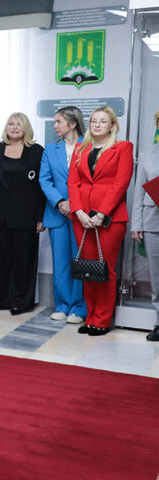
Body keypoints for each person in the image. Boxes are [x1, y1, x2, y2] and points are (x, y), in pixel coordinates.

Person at [69, 107, 133, 336]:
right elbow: (73, 183)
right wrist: (78, 211)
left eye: (103, 121)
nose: (97, 125)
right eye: (94, 121)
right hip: (82, 218)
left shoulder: (123, 148)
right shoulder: (80, 149)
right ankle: (90, 317)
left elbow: (121, 183)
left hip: (110, 219)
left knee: (105, 268)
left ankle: (102, 320)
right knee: (87, 269)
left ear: (113, 125)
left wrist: (101, 213)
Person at [0, 113, 45, 314]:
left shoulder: (37, 152)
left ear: (26, 128)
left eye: (19, 124)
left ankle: (21, 301)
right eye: (11, 123)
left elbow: (41, 187)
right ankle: (2, 299)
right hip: (0, 216)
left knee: (24, 260)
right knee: (3, 259)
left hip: (26, 216)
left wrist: (41, 217)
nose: (15, 127)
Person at [39, 106, 86, 324]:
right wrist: (60, 202)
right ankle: (62, 306)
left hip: (81, 214)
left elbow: (90, 181)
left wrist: (73, 204)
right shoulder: (50, 150)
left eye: (59, 121)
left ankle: (78, 308)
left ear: (73, 124)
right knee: (60, 263)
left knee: (79, 261)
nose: (55, 125)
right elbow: (44, 180)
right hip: (57, 213)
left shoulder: (88, 147)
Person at [131, 110, 159, 342]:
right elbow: (139, 193)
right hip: (153, 222)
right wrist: (137, 224)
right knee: (157, 278)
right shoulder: (147, 155)